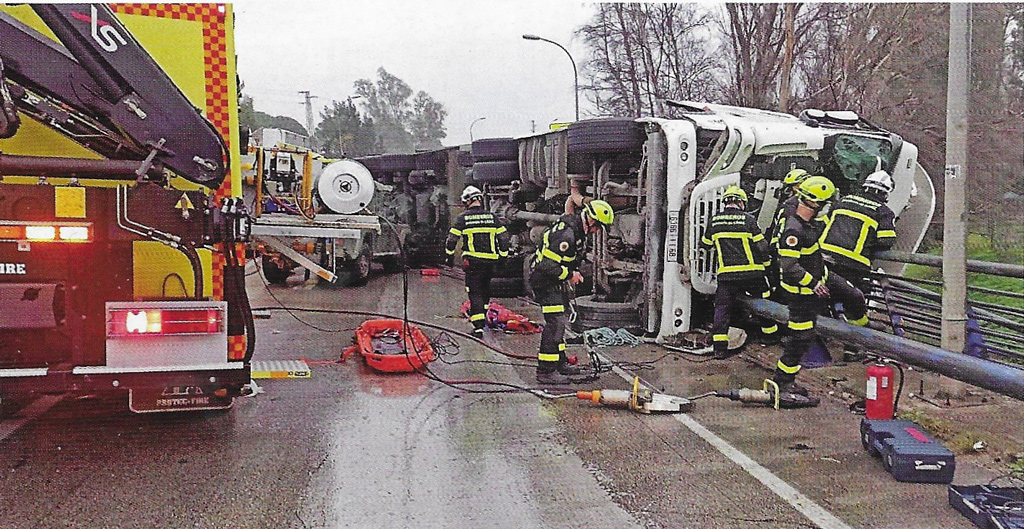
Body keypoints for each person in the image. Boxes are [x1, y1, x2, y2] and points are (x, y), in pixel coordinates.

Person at [774, 176, 867, 397]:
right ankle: (783, 381)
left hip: (816, 283)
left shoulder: (808, 225)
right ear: (815, 204)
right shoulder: (794, 231)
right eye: (826, 204)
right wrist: (814, 283)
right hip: (802, 293)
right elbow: (788, 266)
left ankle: (861, 338)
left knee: (852, 296)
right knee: (801, 338)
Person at [530, 198, 614, 384]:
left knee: (560, 323)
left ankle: (559, 363)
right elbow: (546, 264)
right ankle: (545, 371)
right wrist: (569, 275)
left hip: (554, 281)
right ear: (591, 221)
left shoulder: (575, 231)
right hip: (545, 282)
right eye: (598, 227)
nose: (597, 231)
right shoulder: (566, 235)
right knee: (555, 324)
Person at [819, 169, 897, 361]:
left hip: (823, 258)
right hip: (853, 265)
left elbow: (825, 224)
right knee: (855, 305)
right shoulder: (883, 211)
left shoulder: (843, 201)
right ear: (886, 193)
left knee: (823, 297)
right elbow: (886, 240)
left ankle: (825, 336)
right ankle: (853, 347)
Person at [699, 185, 779, 359]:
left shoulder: (714, 221)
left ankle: (720, 349)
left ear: (725, 202)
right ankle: (770, 335)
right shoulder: (748, 220)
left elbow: (704, 245)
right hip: (753, 273)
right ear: (742, 202)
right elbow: (762, 247)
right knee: (764, 300)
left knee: (722, 308)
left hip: (727, 275)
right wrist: (766, 264)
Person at [445, 185, 510, 338]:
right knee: (485, 290)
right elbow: (504, 238)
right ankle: (485, 318)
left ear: (467, 201)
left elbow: (451, 239)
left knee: (474, 292)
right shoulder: (492, 217)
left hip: (473, 262)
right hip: (490, 262)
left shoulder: (463, 218)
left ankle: (478, 327)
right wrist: (503, 257)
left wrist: (449, 256)